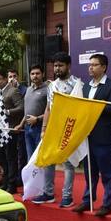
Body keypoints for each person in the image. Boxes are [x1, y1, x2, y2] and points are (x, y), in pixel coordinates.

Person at [72, 54, 111, 217]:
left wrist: (92, 106)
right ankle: (87, 200)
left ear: (104, 67)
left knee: (107, 173)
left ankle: (107, 204)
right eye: (89, 65)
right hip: (87, 137)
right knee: (89, 172)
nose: (91, 68)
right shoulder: (85, 87)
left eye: (94, 65)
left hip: (104, 137)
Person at [35, 51, 83, 208]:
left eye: (60, 65)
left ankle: (67, 196)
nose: (57, 69)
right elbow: (48, 108)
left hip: (69, 128)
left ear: (68, 66)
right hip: (53, 128)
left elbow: (79, 109)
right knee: (48, 159)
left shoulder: (77, 83)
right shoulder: (52, 85)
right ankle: (48, 193)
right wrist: (44, 128)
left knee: (68, 163)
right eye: (55, 66)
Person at [0, 70, 24, 194]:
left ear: (5, 79)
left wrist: (8, 112)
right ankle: (5, 182)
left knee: (11, 158)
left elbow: (21, 108)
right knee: (2, 159)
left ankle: (12, 184)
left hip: (9, 130)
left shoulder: (13, 91)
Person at [16, 65, 47, 160]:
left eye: (37, 73)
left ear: (43, 74)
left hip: (40, 128)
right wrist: (21, 124)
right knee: (30, 158)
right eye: (32, 74)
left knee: (39, 158)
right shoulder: (28, 89)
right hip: (27, 128)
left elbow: (51, 111)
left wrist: (37, 119)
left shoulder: (48, 89)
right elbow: (26, 111)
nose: (35, 76)